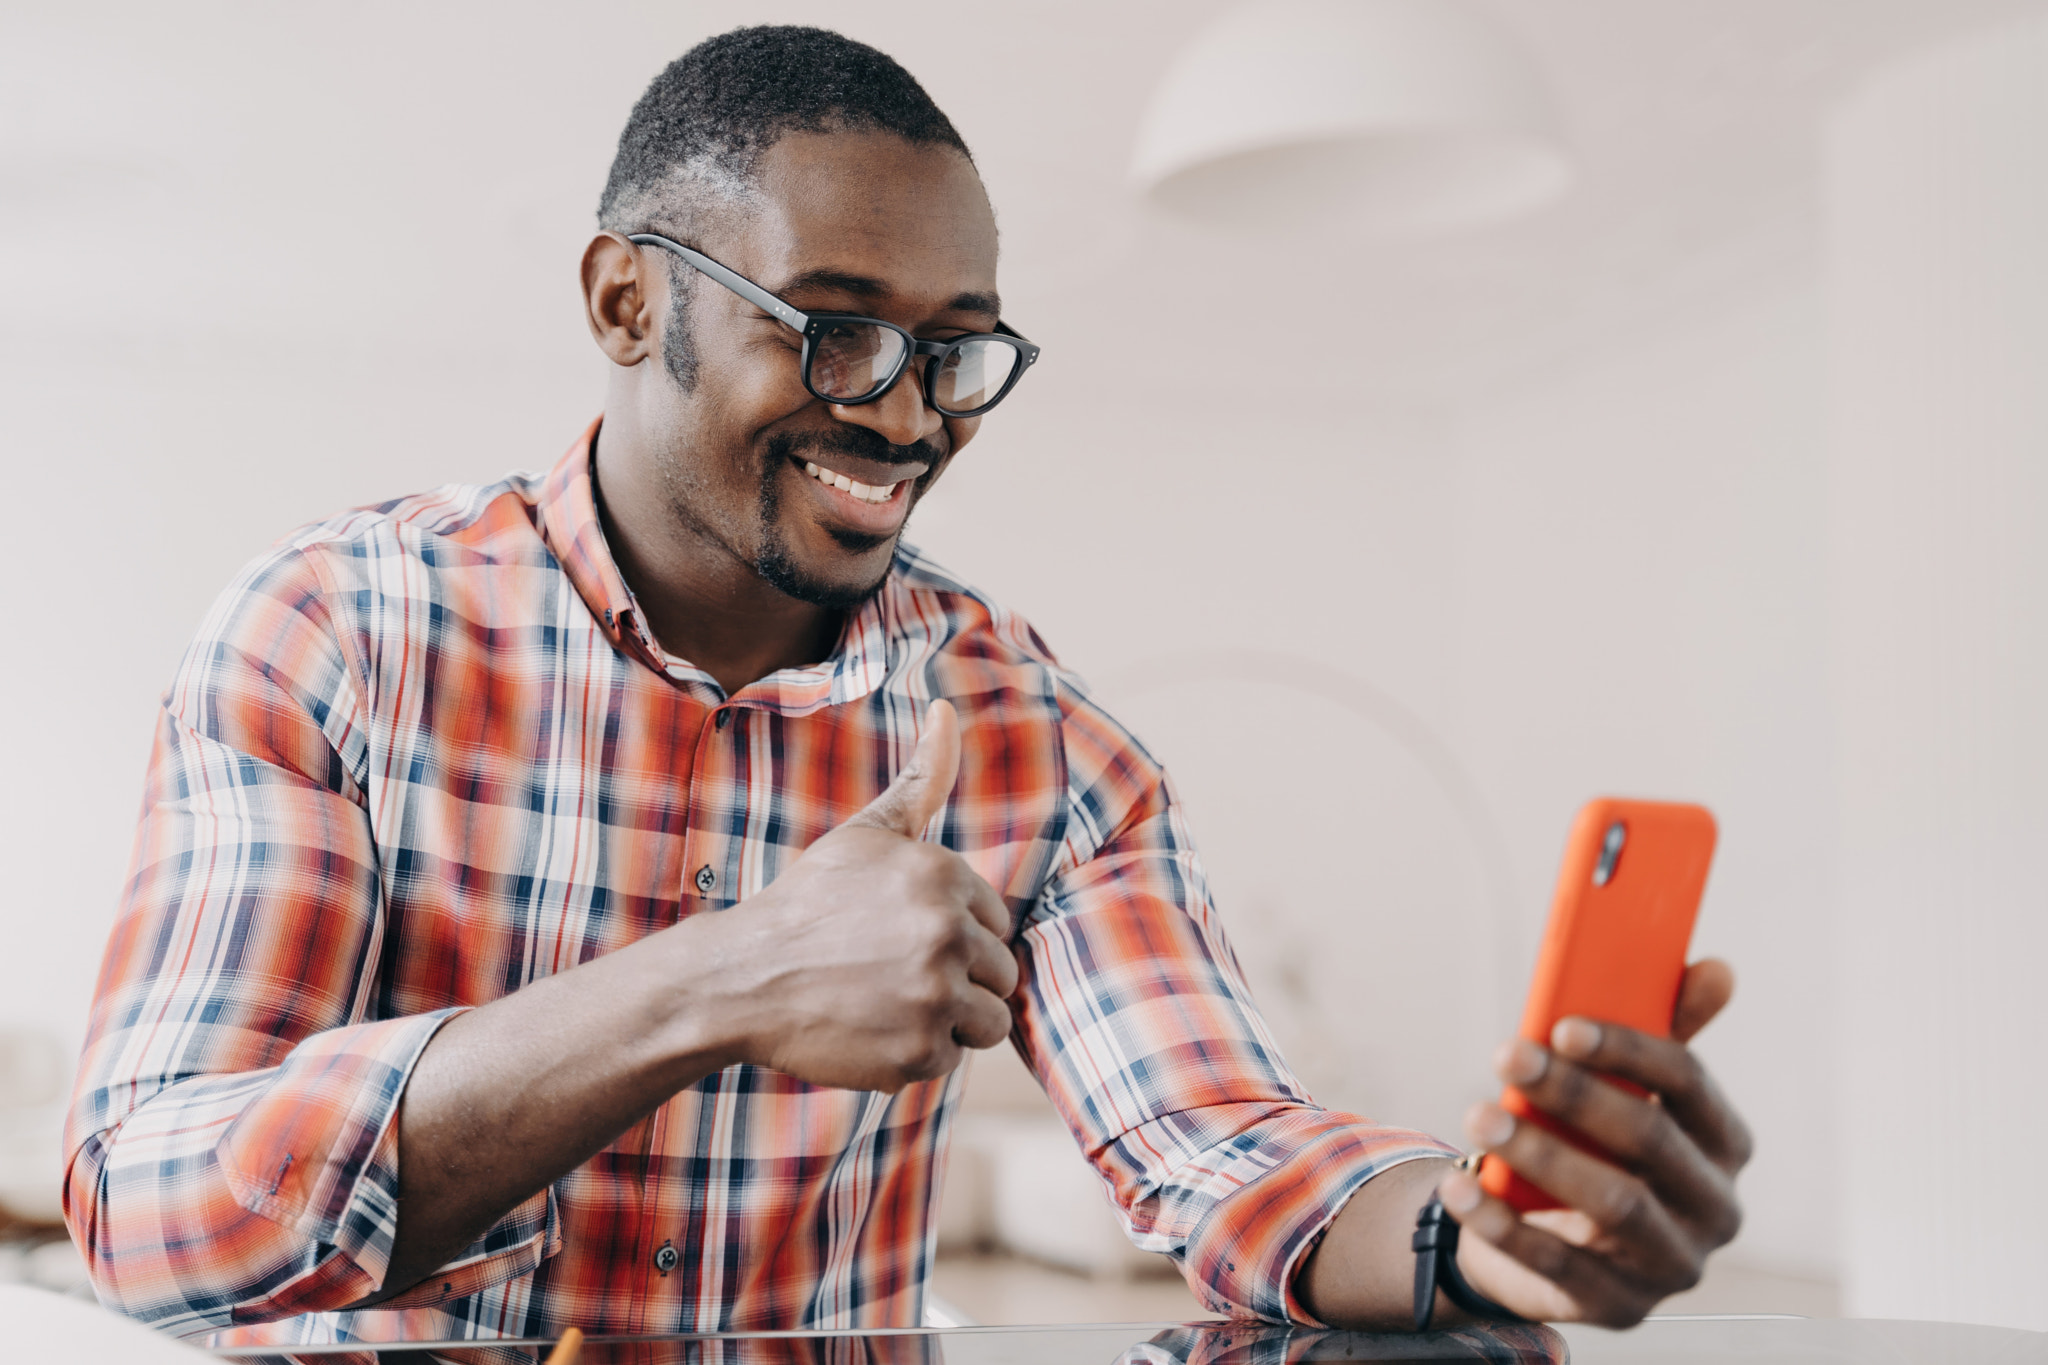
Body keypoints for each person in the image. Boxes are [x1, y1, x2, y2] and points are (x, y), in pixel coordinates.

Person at [63, 26, 1751, 1349]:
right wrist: (722, 976)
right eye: (835, 325)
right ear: (625, 297)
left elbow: (1226, 1150)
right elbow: (144, 1215)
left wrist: (1490, 1228)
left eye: (960, 349)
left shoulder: (1032, 736)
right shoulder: (336, 631)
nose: (908, 411)